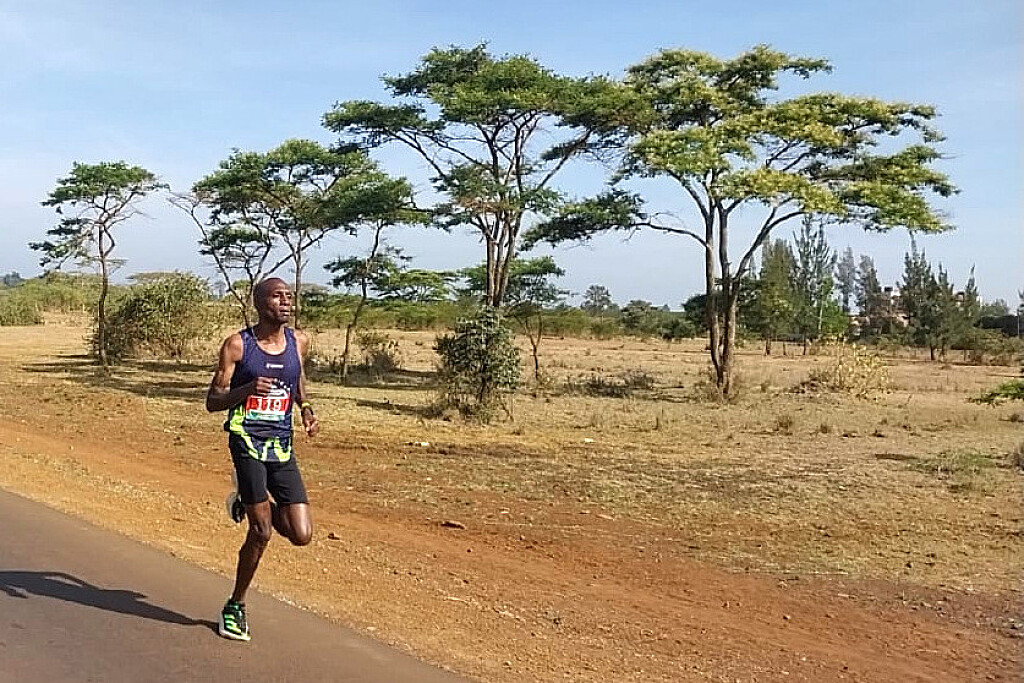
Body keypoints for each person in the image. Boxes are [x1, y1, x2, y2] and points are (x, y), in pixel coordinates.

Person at [205, 277, 319, 641]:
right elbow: (213, 401)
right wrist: (247, 389)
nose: (286, 302)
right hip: (246, 440)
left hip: (281, 444)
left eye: (289, 296)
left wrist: (306, 408)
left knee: (301, 534)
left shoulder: (298, 341)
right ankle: (234, 606)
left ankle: (247, 498)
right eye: (277, 296)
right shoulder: (238, 345)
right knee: (261, 531)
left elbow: (297, 378)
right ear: (259, 303)